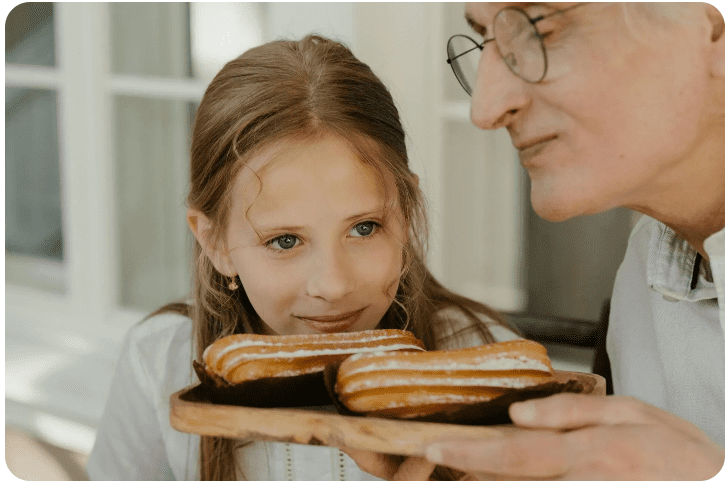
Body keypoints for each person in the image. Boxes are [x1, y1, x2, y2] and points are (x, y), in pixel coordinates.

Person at [85, 34, 522, 480]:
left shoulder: (486, 361)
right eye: (285, 241)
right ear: (215, 242)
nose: (332, 286)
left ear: (405, 216)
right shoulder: (158, 362)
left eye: (364, 228)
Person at [343, 2, 725, 480]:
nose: (485, 108)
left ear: (712, 29)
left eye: (537, 29)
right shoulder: (646, 276)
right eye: (485, 42)